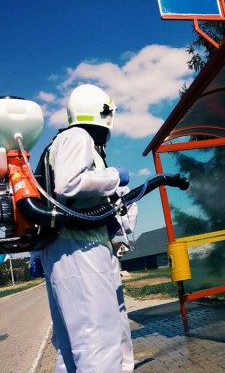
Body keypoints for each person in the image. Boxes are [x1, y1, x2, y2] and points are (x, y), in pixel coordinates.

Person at [39, 84, 136, 373]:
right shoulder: (77, 136)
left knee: (74, 346)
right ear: (102, 113)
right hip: (80, 250)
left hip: (73, 247)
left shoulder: (60, 144)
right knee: (97, 342)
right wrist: (114, 177)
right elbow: (69, 184)